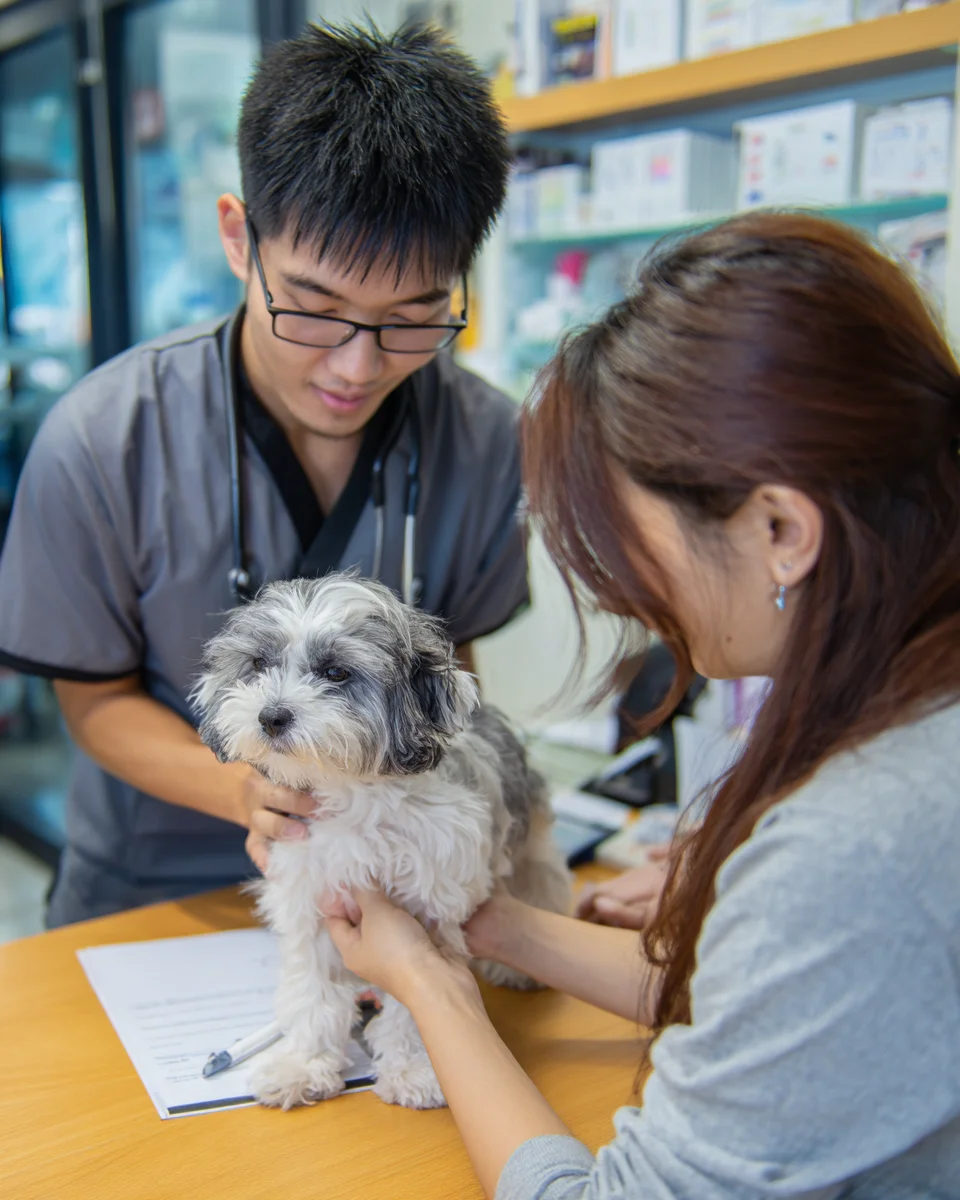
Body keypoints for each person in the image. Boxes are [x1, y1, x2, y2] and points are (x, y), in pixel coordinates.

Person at [323, 212, 960, 1198]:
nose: (625, 594)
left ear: (782, 528)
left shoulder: (854, 840)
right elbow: (769, 1012)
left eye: (626, 541)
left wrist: (432, 984)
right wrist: (493, 925)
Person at [0, 23, 528, 927]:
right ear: (240, 239)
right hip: (153, 892)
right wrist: (245, 791)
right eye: (317, 310)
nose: (356, 368)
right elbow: (93, 703)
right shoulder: (104, 438)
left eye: (412, 315)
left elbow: (446, 676)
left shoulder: (481, 437)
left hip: (382, 879)